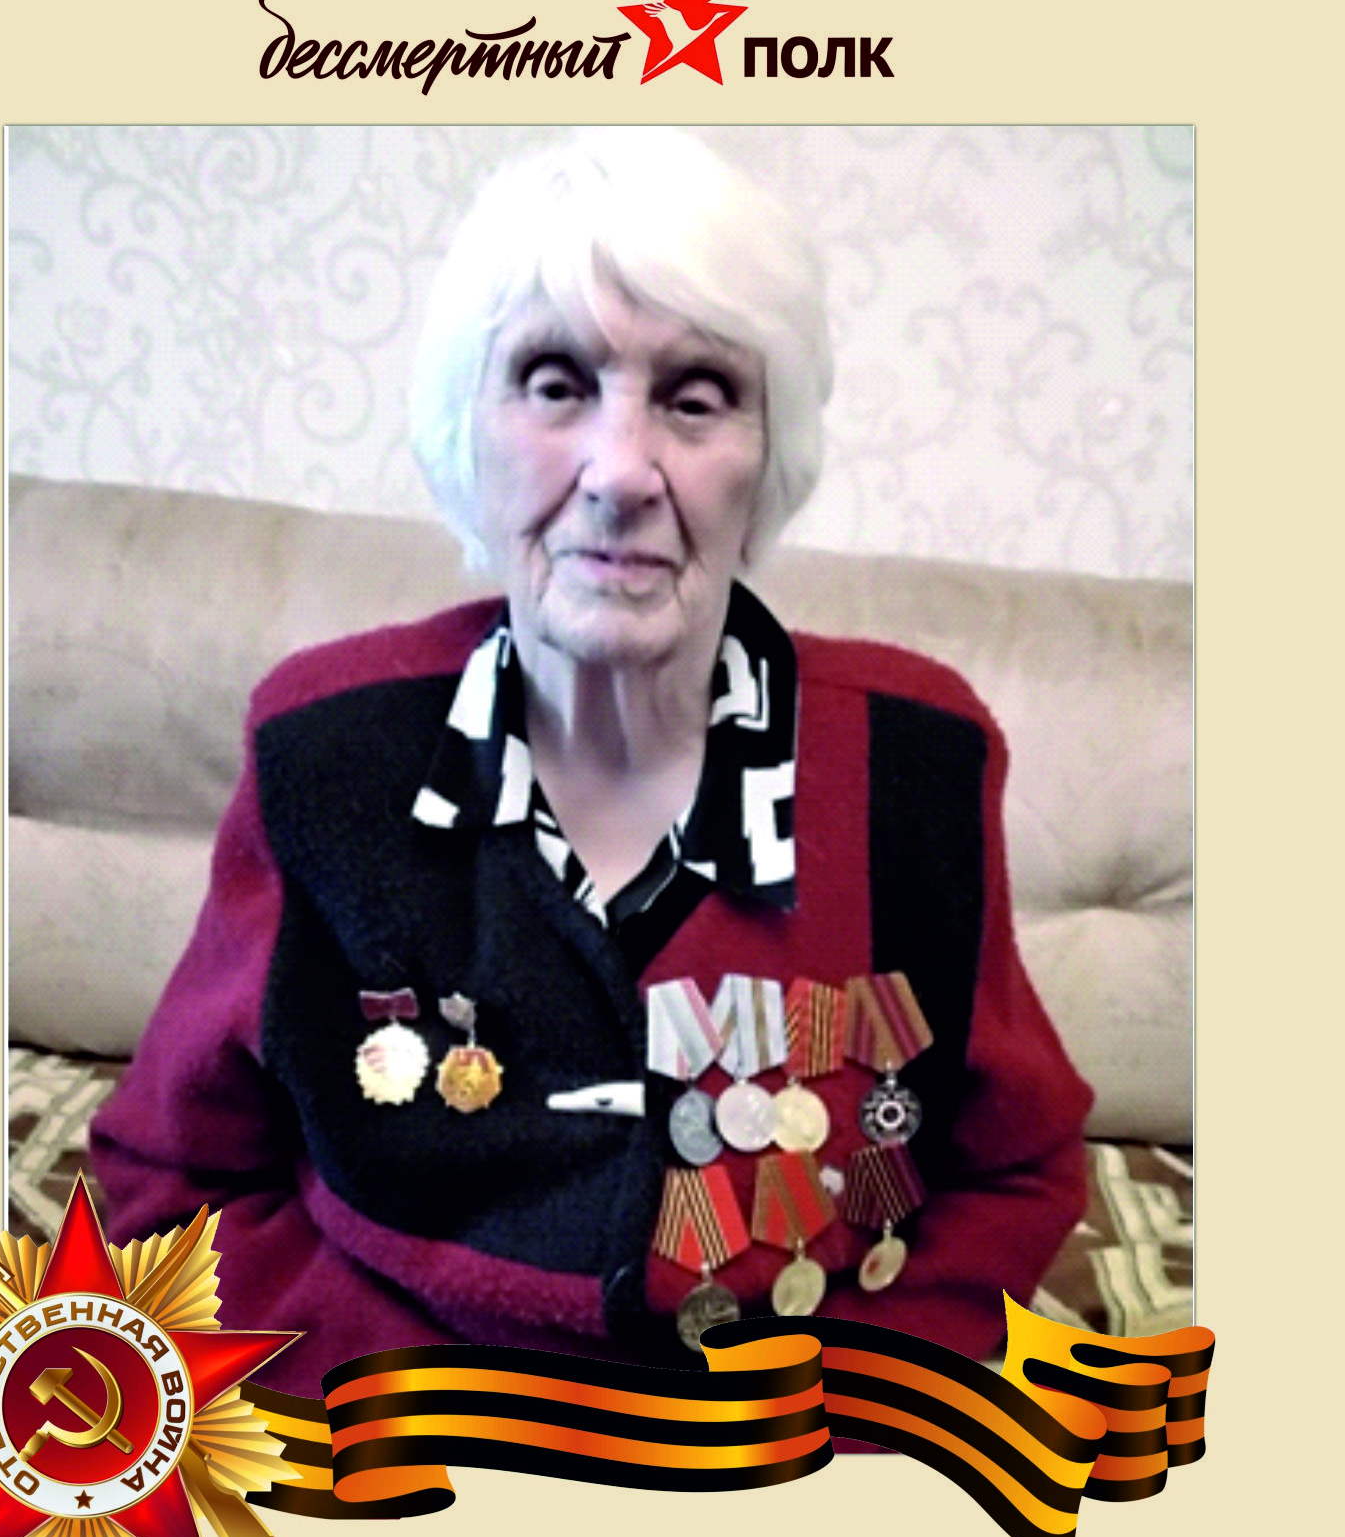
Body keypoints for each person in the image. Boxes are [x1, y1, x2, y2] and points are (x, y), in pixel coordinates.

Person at [91, 129, 1092, 1395]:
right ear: (469, 430)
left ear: (767, 459)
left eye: (697, 397)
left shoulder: (918, 762)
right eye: (555, 383)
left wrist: (825, 1432)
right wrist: (402, 1409)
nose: (620, 473)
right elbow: (171, 1179)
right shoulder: (326, 751)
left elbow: (1015, 1175)